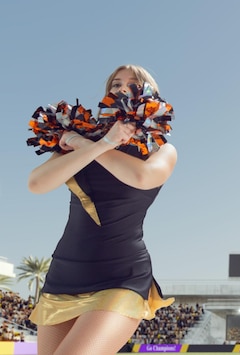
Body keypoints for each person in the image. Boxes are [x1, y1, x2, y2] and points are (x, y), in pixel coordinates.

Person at [28, 64, 177, 355]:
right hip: (64, 273)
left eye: (132, 84)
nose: (122, 89)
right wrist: (98, 144)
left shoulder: (162, 149)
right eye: (115, 84)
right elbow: (37, 183)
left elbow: (142, 178)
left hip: (120, 275)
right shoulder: (85, 142)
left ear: (150, 94)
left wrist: (84, 143)